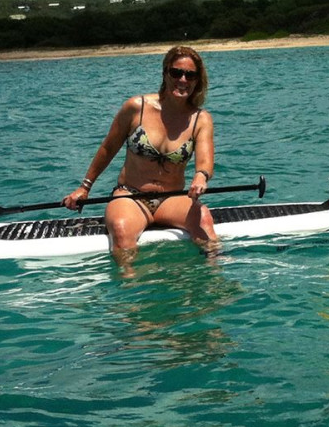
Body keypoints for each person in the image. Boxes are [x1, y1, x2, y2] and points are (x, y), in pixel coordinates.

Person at [63, 45, 217, 264]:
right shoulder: (136, 107)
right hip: (131, 196)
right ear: (165, 73)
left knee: (205, 222)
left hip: (172, 199)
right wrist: (84, 188)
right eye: (176, 72)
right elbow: (108, 148)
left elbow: (205, 161)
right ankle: (132, 291)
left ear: (197, 81)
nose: (183, 79)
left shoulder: (201, 119)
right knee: (121, 230)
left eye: (190, 75)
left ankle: (214, 279)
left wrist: (201, 176)